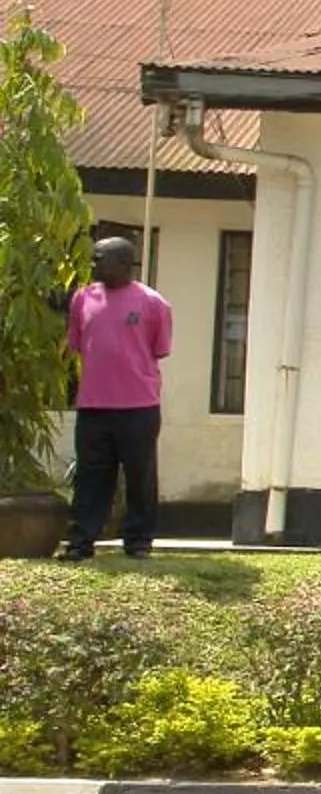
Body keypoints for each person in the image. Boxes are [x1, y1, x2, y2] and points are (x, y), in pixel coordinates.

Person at [54, 235, 174, 562]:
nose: (93, 265)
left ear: (124, 263)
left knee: (140, 474)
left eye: (99, 259)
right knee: (91, 475)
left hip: (138, 406)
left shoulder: (153, 303)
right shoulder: (82, 298)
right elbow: (78, 344)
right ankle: (81, 541)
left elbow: (159, 348)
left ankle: (138, 541)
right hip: (93, 404)